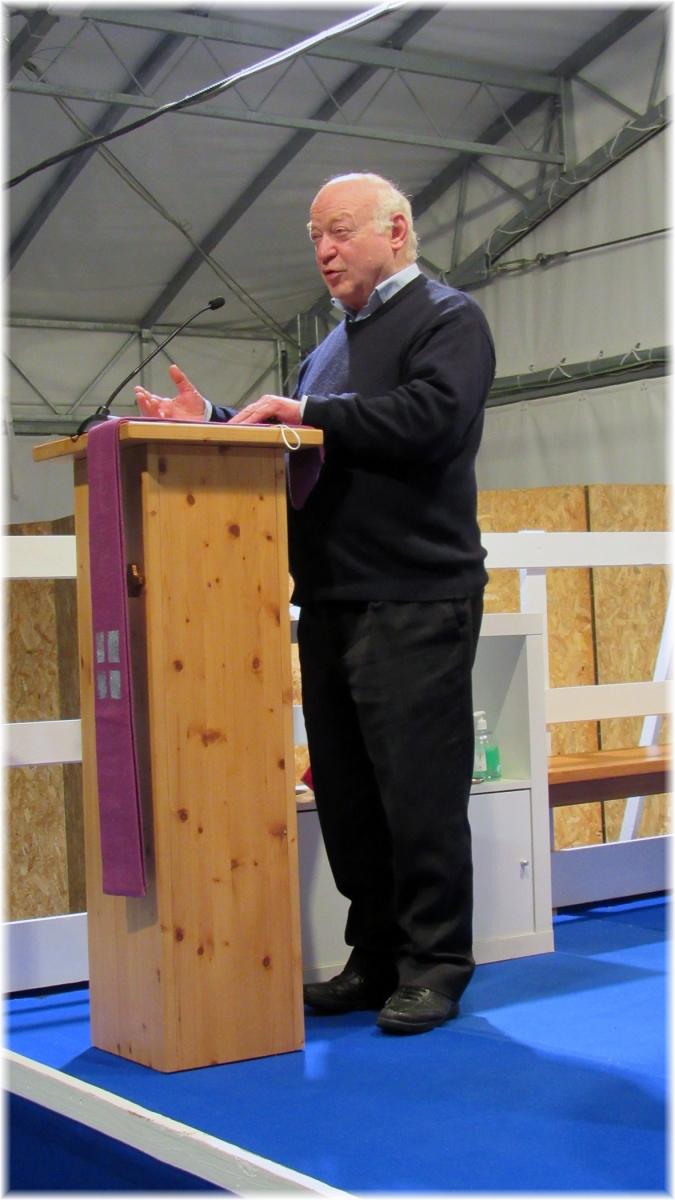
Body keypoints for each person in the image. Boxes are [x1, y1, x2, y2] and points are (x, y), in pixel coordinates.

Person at [135, 172, 495, 1035]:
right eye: (314, 238)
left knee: (418, 794)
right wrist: (215, 419)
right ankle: (373, 957)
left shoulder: (449, 319)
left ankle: (435, 964)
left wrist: (302, 409)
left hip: (414, 593)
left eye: (339, 231)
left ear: (396, 231)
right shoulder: (329, 346)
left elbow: (430, 418)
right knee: (347, 793)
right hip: (331, 596)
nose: (323, 252)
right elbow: (302, 437)